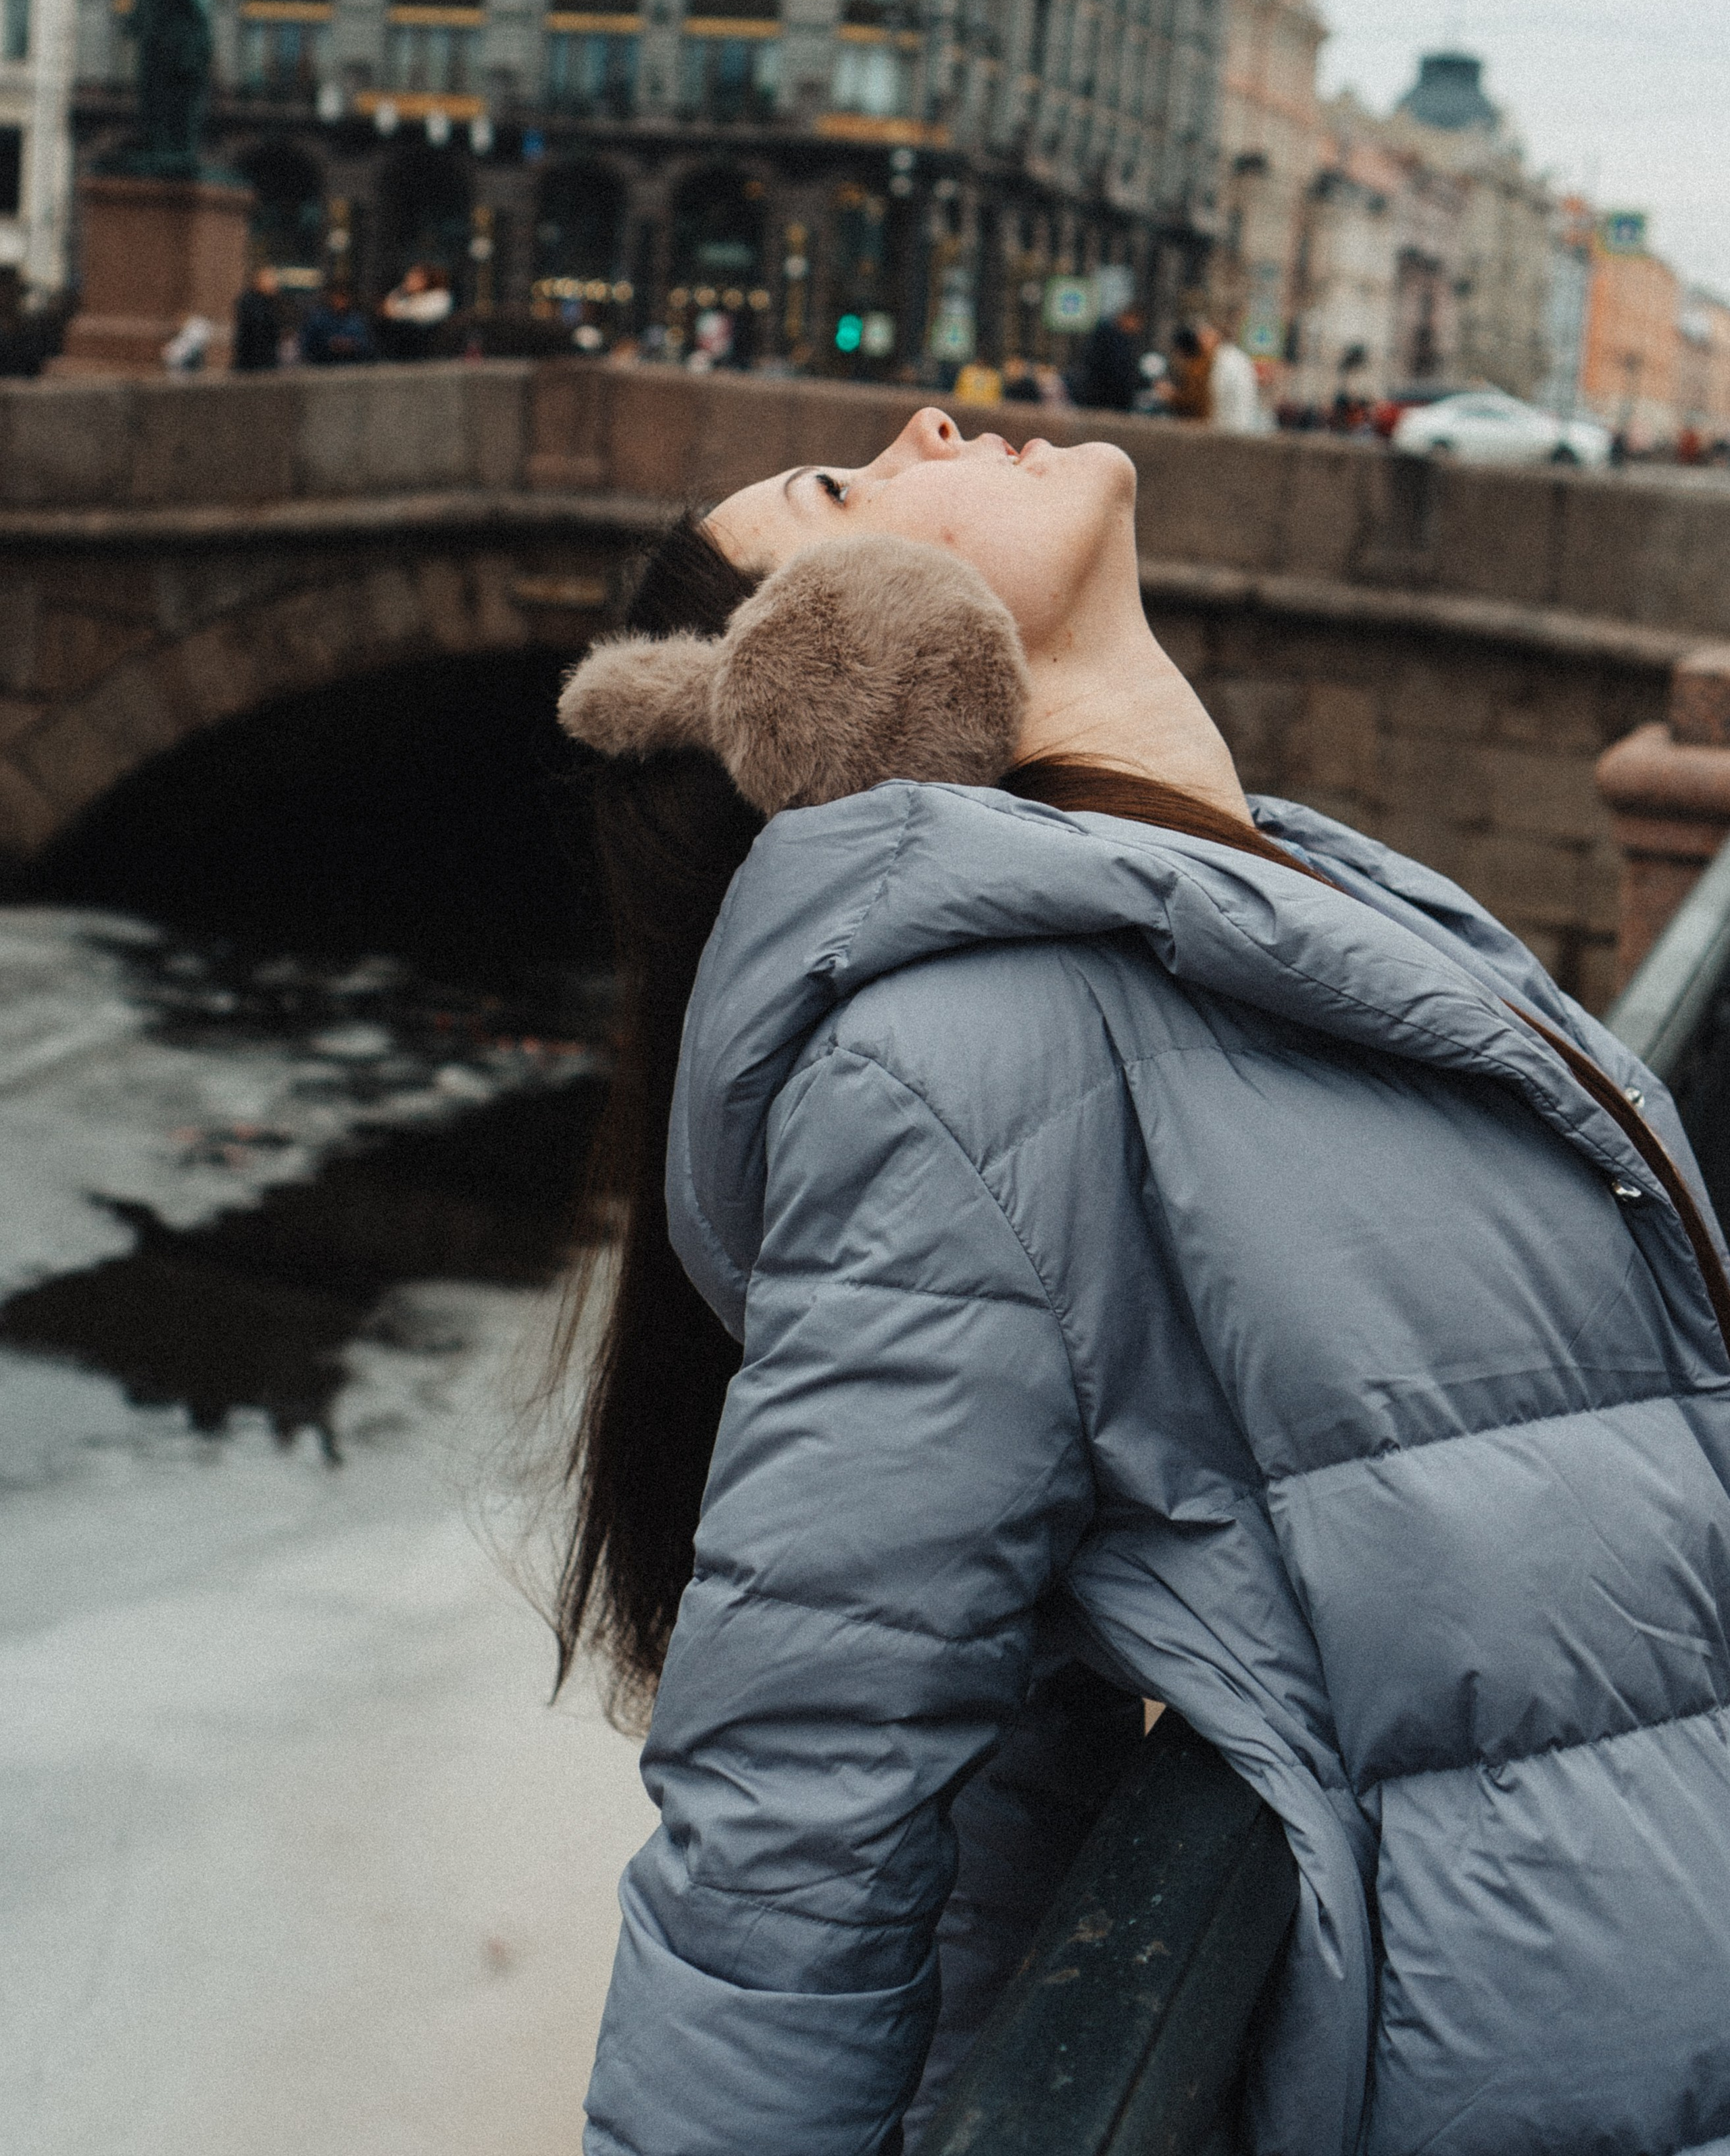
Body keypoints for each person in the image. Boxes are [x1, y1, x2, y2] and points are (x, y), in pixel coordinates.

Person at [553, 409, 1730, 2156]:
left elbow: (1008, 1796)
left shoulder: (1306, 900)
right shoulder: (957, 1068)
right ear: (847, 660)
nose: (925, 422)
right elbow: (798, 1836)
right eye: (847, 492)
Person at [1170, 322, 1265, 432]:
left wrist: (1173, 396)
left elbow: (1202, 402)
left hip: (1225, 430)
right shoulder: (1234, 356)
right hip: (1240, 427)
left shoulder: (1219, 361)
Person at [1068, 304, 1145, 410]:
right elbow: (1113, 367)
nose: (1137, 327)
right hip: (1102, 394)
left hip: (1109, 395)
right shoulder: (1108, 336)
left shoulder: (1123, 339)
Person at [378, 262, 453, 359]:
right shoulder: (407, 297)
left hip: (428, 333)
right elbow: (389, 310)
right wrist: (402, 290)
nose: (410, 282)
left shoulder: (440, 296)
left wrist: (403, 313)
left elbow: (426, 316)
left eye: (415, 279)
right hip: (405, 331)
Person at [297, 283, 374, 366]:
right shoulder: (318, 320)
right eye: (337, 297)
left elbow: (368, 346)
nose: (340, 301)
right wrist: (329, 345)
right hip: (323, 368)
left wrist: (352, 345)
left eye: (344, 297)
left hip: (352, 368)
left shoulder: (357, 321)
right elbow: (307, 346)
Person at [232, 266, 283, 373]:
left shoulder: (271, 304)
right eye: (270, 279)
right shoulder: (250, 303)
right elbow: (255, 332)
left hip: (267, 362)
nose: (274, 283)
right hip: (252, 364)